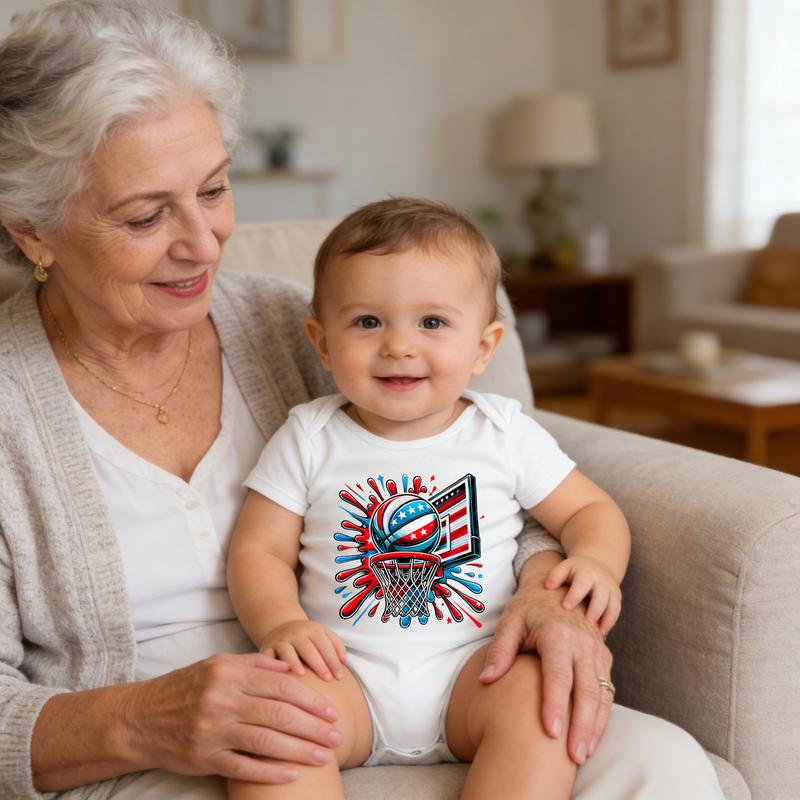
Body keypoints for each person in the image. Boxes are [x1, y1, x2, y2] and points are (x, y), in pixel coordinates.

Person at [0, 2, 725, 799]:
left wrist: (547, 594)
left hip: (450, 677)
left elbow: (469, 479)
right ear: (32, 229)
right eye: (145, 215)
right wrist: (140, 720)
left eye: (213, 190)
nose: (203, 243)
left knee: (664, 766)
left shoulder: (302, 327)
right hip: (166, 747)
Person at [227, 197, 633, 799]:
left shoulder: (503, 432)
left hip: (477, 671)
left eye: (432, 323)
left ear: (484, 347)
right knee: (273, 733)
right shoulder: (308, 436)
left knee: (543, 706)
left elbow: (588, 511)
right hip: (344, 675)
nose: (398, 345)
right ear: (322, 341)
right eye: (367, 322)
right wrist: (280, 623)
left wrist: (596, 563)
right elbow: (258, 550)